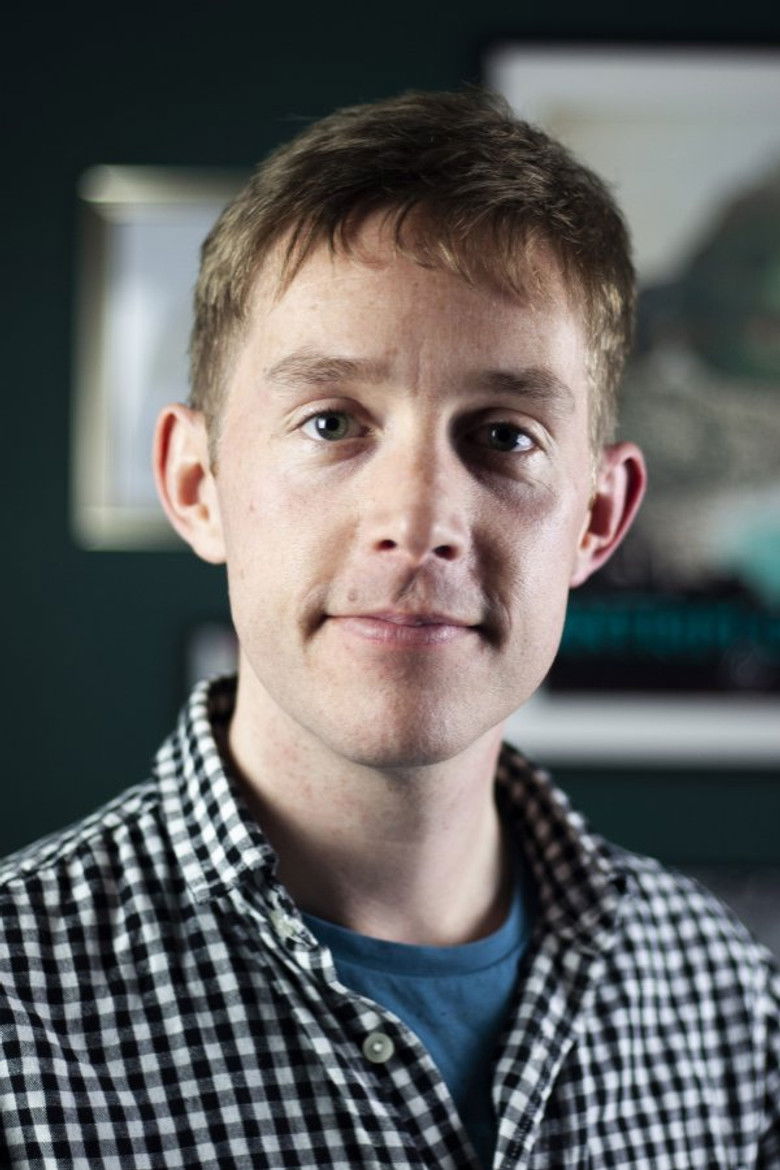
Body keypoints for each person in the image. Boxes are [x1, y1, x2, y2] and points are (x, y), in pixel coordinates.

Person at [1, 89, 777, 1170]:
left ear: (599, 518)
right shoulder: (17, 1005)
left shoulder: (726, 1006)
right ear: (196, 484)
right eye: (331, 422)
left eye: (504, 436)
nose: (418, 520)